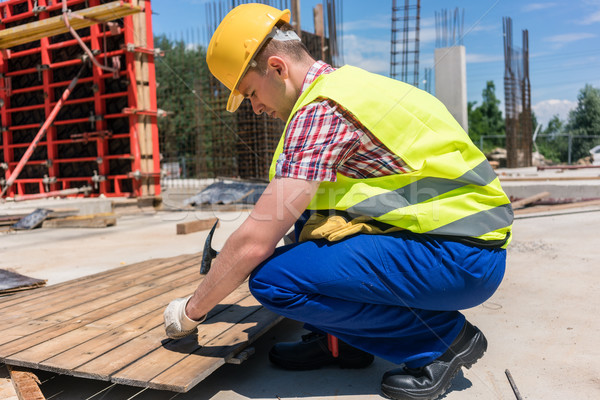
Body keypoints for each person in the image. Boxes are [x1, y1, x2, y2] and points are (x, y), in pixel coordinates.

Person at [163, 3, 513, 400]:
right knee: (306, 220)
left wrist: (192, 310)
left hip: (458, 258)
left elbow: (255, 243)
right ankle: (341, 344)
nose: (255, 108)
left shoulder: (320, 111)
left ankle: (440, 341)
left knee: (273, 280)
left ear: (277, 68)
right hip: (459, 246)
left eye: (251, 93)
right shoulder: (346, 89)